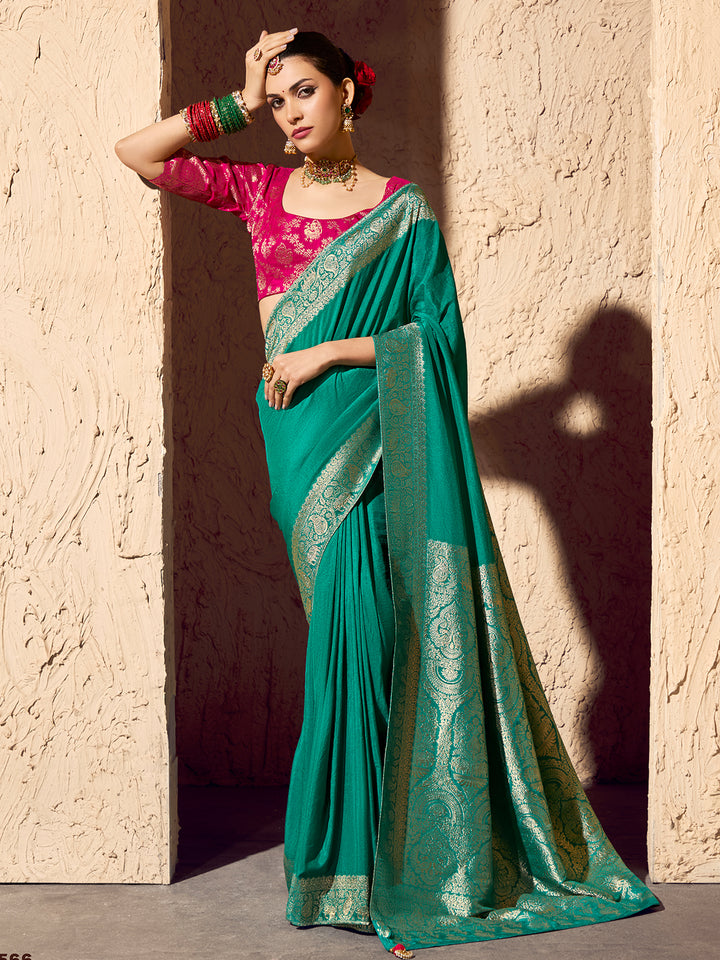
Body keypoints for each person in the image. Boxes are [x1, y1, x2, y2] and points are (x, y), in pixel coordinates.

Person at [115, 28, 660, 958]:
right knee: (343, 626)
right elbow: (139, 154)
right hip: (303, 444)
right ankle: (345, 862)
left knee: (371, 632)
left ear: (347, 95)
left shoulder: (404, 214)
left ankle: (369, 866)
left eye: (301, 93)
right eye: (277, 100)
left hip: (372, 424)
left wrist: (330, 348)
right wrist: (234, 103)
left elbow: (438, 347)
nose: (289, 114)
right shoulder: (257, 192)